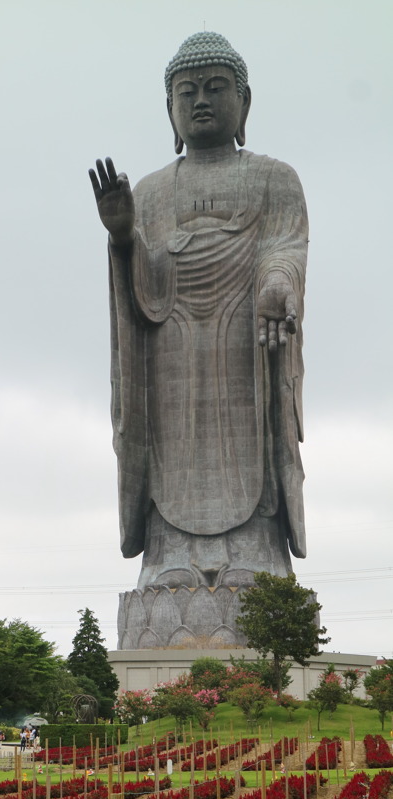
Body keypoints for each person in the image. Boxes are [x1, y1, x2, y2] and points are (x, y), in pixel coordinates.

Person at [90, 32, 308, 600]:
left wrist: (277, 282)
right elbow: (142, 288)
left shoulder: (274, 178)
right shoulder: (150, 192)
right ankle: (169, 559)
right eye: (186, 93)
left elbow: (285, 246)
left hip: (245, 341)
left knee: (250, 438)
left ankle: (258, 557)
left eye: (215, 88)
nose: (201, 101)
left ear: (244, 102)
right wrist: (123, 237)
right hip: (171, 348)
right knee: (170, 444)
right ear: (170, 108)